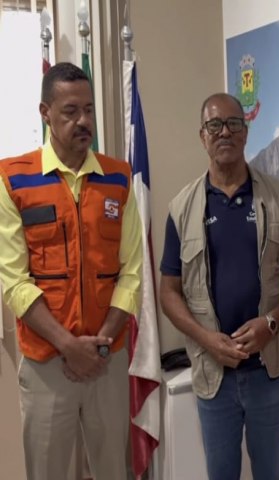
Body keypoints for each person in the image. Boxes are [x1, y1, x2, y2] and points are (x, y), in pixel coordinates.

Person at [0, 62, 142, 479]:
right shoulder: (13, 180)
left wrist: (100, 346)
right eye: (70, 111)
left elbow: (132, 273)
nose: (84, 121)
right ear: (45, 113)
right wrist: (68, 345)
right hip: (47, 364)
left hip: (106, 359)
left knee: (113, 470)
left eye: (89, 110)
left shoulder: (118, 178)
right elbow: (14, 281)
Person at [159, 92, 279, 480]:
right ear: (202, 135)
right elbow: (168, 292)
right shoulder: (181, 209)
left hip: (268, 372)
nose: (225, 132)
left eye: (234, 123)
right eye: (214, 125)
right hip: (214, 376)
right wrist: (206, 339)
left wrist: (271, 323)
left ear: (245, 131)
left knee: (272, 473)